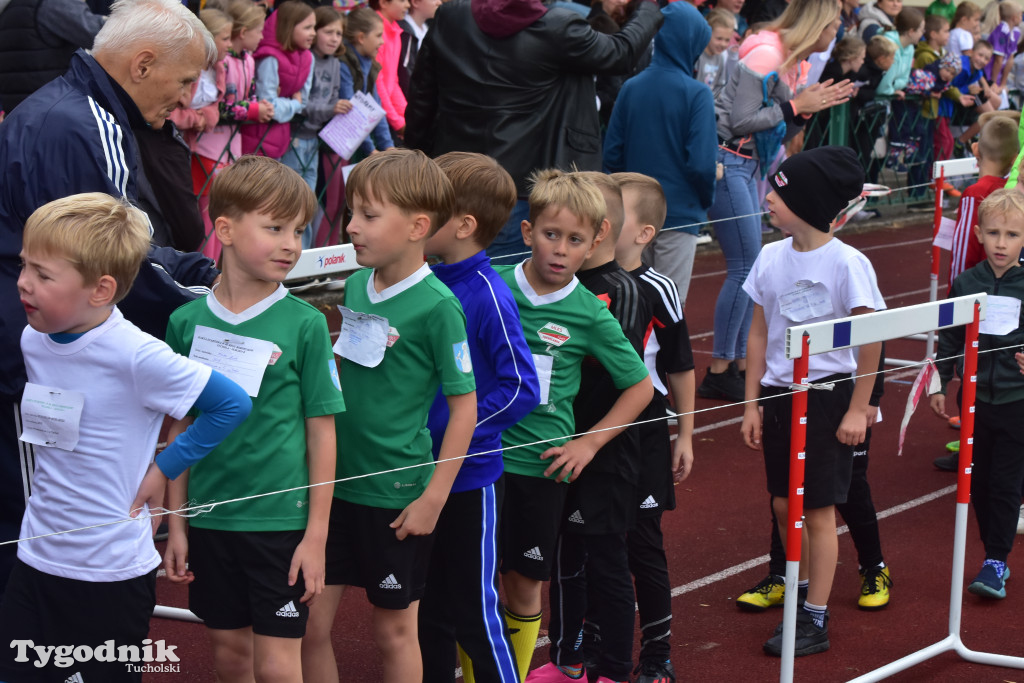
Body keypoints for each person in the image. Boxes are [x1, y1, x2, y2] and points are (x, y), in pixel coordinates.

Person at [0, 0, 219, 597]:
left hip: (36, 337)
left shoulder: (61, 107)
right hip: (35, 347)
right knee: (32, 525)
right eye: (181, 82)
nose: (183, 100)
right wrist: (209, 289)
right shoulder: (85, 120)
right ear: (143, 63)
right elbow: (116, 254)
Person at [0, 193, 250, 682]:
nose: (23, 283)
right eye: (23, 265)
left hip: (109, 575)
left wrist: (165, 468)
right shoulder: (35, 337)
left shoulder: (137, 355)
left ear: (101, 289)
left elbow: (232, 404)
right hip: (36, 557)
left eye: (43, 275)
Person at [163, 156, 344, 683]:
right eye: (275, 228)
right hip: (209, 521)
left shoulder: (307, 323)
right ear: (225, 230)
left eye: (298, 230)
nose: (292, 243)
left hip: (281, 526)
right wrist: (177, 524)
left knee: (279, 664)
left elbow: (322, 432)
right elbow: (179, 428)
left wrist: (316, 535)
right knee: (230, 656)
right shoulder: (184, 321)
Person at [302, 149, 477, 683]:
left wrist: (433, 498)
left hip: (396, 496)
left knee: (394, 632)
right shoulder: (358, 282)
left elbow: (464, 406)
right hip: (333, 486)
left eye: (368, 216)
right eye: (352, 212)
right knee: (309, 627)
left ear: (417, 226)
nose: (351, 227)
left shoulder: (439, 306)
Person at [493, 169, 653, 679]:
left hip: (541, 469)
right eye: (551, 234)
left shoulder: (589, 311)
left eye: (575, 240)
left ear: (596, 242)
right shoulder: (494, 287)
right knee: (470, 581)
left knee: (523, 582)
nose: (560, 250)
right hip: (480, 462)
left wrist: (589, 444)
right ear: (527, 232)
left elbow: (640, 387)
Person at [741, 146, 884, 657]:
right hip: (781, 395)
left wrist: (857, 407)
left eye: (778, 192)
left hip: (827, 397)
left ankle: (815, 617)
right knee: (783, 503)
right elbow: (759, 332)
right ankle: (799, 589)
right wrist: (752, 403)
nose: (768, 199)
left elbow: (871, 339)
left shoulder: (848, 262)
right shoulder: (768, 257)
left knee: (820, 510)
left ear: (808, 200)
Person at [405, 0, 663, 260]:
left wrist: (418, 161)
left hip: (453, 177)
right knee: (500, 282)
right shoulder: (558, 27)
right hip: (512, 188)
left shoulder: (451, 16)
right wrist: (648, 8)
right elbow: (621, 52)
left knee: (446, 278)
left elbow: (422, 97)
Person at [418, 151, 540, 683]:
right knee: (426, 610)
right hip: (416, 473)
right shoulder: (425, 282)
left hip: (469, 480)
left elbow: (523, 389)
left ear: (464, 225)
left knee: (473, 610)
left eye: (428, 208)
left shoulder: (489, 294)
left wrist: (454, 430)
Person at [700, 0, 852, 404]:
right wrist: (795, 106)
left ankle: (732, 362)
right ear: (816, 24)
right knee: (745, 266)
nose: (835, 34)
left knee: (747, 264)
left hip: (744, 162)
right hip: (727, 158)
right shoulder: (768, 52)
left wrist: (802, 111)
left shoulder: (781, 55)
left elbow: (779, 130)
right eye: (833, 25)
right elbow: (741, 120)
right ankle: (719, 367)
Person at [612, 170, 696, 683]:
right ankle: (584, 644)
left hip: (643, 430)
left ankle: (658, 652)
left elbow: (680, 365)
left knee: (642, 540)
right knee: (582, 541)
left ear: (644, 233)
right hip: (588, 428)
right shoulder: (576, 278)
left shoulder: (657, 287)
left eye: (612, 214)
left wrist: (685, 433)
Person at [931, 188, 1024, 600]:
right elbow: (949, 337)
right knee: (978, 483)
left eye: (1012, 234)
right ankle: (994, 553)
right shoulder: (967, 282)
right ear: (978, 234)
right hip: (972, 402)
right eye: (994, 233)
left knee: (1005, 482)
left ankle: (996, 560)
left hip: (1016, 402)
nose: (1002, 243)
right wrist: (939, 379)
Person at [604, 1, 717, 308]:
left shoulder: (631, 87)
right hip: (679, 214)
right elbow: (703, 165)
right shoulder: (697, 93)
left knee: (628, 306)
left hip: (632, 214)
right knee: (668, 309)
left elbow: (612, 155)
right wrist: (704, 201)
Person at [197, 0, 275, 260]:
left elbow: (249, 97)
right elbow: (219, 107)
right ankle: (204, 270)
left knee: (227, 210)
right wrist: (253, 111)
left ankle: (219, 268)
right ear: (243, 33)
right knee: (209, 214)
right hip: (207, 147)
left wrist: (257, 107)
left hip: (233, 148)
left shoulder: (249, 60)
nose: (263, 36)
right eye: (259, 31)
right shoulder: (223, 61)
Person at [284, 6, 352, 249]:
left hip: (314, 140)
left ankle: (306, 262)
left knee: (310, 202)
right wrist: (331, 108)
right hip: (295, 137)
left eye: (339, 33)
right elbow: (302, 104)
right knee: (292, 201)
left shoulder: (335, 64)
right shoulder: (306, 59)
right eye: (328, 32)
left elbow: (330, 98)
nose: (334, 38)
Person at [0, 0, 106, 113]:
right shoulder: (52, 4)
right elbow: (108, 37)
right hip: (57, 111)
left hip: (22, 115)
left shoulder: (10, 8)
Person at [243, 1, 316, 159]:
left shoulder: (308, 57)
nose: (313, 33)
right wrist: (293, 104)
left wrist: (291, 103)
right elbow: (267, 105)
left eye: (314, 27)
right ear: (289, 27)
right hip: (257, 137)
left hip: (281, 137)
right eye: (307, 28)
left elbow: (304, 101)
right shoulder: (270, 57)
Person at [339, 7, 394, 159]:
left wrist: (388, 146)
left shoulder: (370, 63)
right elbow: (351, 110)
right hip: (340, 146)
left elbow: (376, 108)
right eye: (378, 36)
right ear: (361, 37)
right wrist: (370, 150)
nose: (382, 41)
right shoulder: (343, 63)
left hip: (360, 142)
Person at [370, 0, 410, 141]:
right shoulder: (375, 30)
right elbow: (378, 81)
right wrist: (399, 123)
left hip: (386, 113)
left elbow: (393, 81)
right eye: (402, 0)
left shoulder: (395, 29)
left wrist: (407, 118)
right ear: (383, 3)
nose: (408, 5)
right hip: (374, 115)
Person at [396, 0, 440, 98]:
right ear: (415, 2)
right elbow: (406, 73)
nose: (439, 2)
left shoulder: (426, 28)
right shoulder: (406, 32)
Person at [698, 8, 737, 99]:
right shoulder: (698, 55)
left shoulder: (721, 57)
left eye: (727, 40)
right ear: (707, 33)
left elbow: (719, 85)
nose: (723, 44)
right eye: (719, 39)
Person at [985, 0, 1022, 89]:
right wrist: (993, 83)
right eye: (1021, 15)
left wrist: (1003, 83)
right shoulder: (1001, 31)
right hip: (989, 73)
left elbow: (1010, 59)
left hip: (1000, 74)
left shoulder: (1016, 32)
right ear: (1014, 18)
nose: (1022, 17)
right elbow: (998, 60)